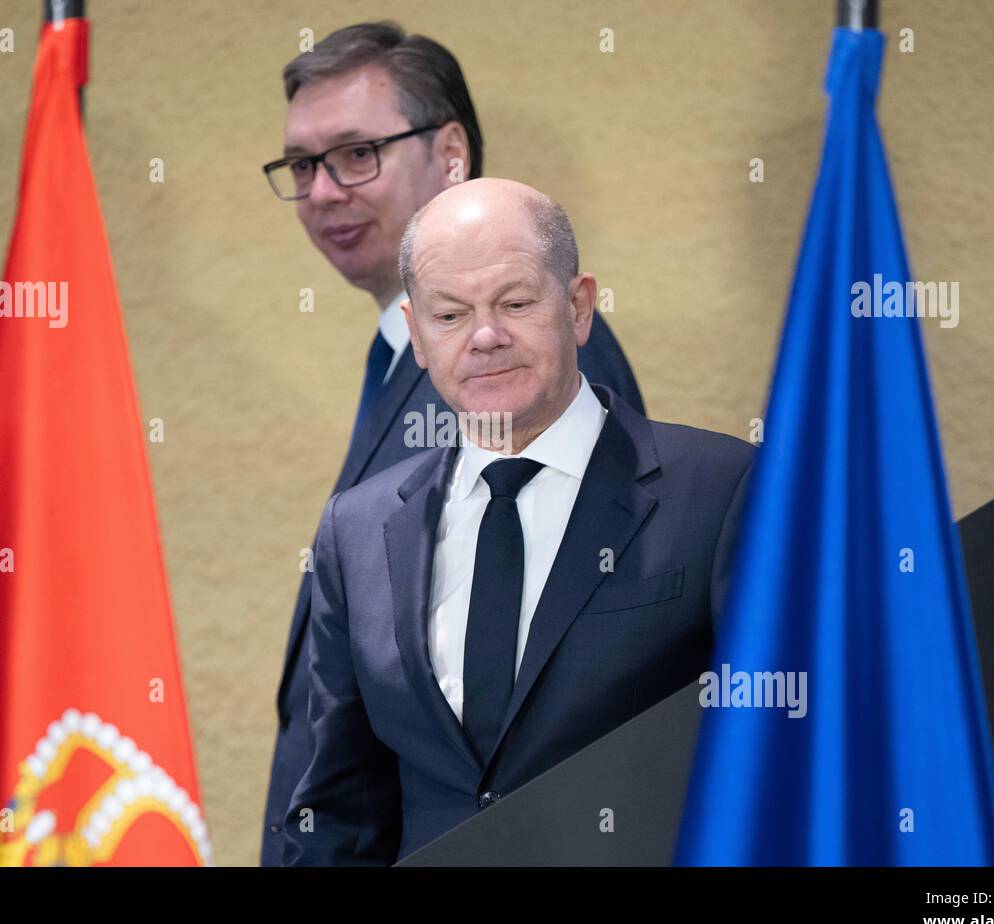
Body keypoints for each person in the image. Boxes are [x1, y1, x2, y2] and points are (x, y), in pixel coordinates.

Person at [259, 22, 645, 866]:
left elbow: (558, 681)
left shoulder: (535, 356)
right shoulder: (401, 356)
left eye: (356, 153)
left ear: (451, 155)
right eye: (302, 165)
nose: (323, 191)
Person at [283, 178, 753, 865]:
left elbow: (782, 759)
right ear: (416, 336)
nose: (485, 337)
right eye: (449, 315)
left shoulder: (724, 489)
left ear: (579, 306)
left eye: (515, 302)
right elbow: (340, 808)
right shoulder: (356, 532)